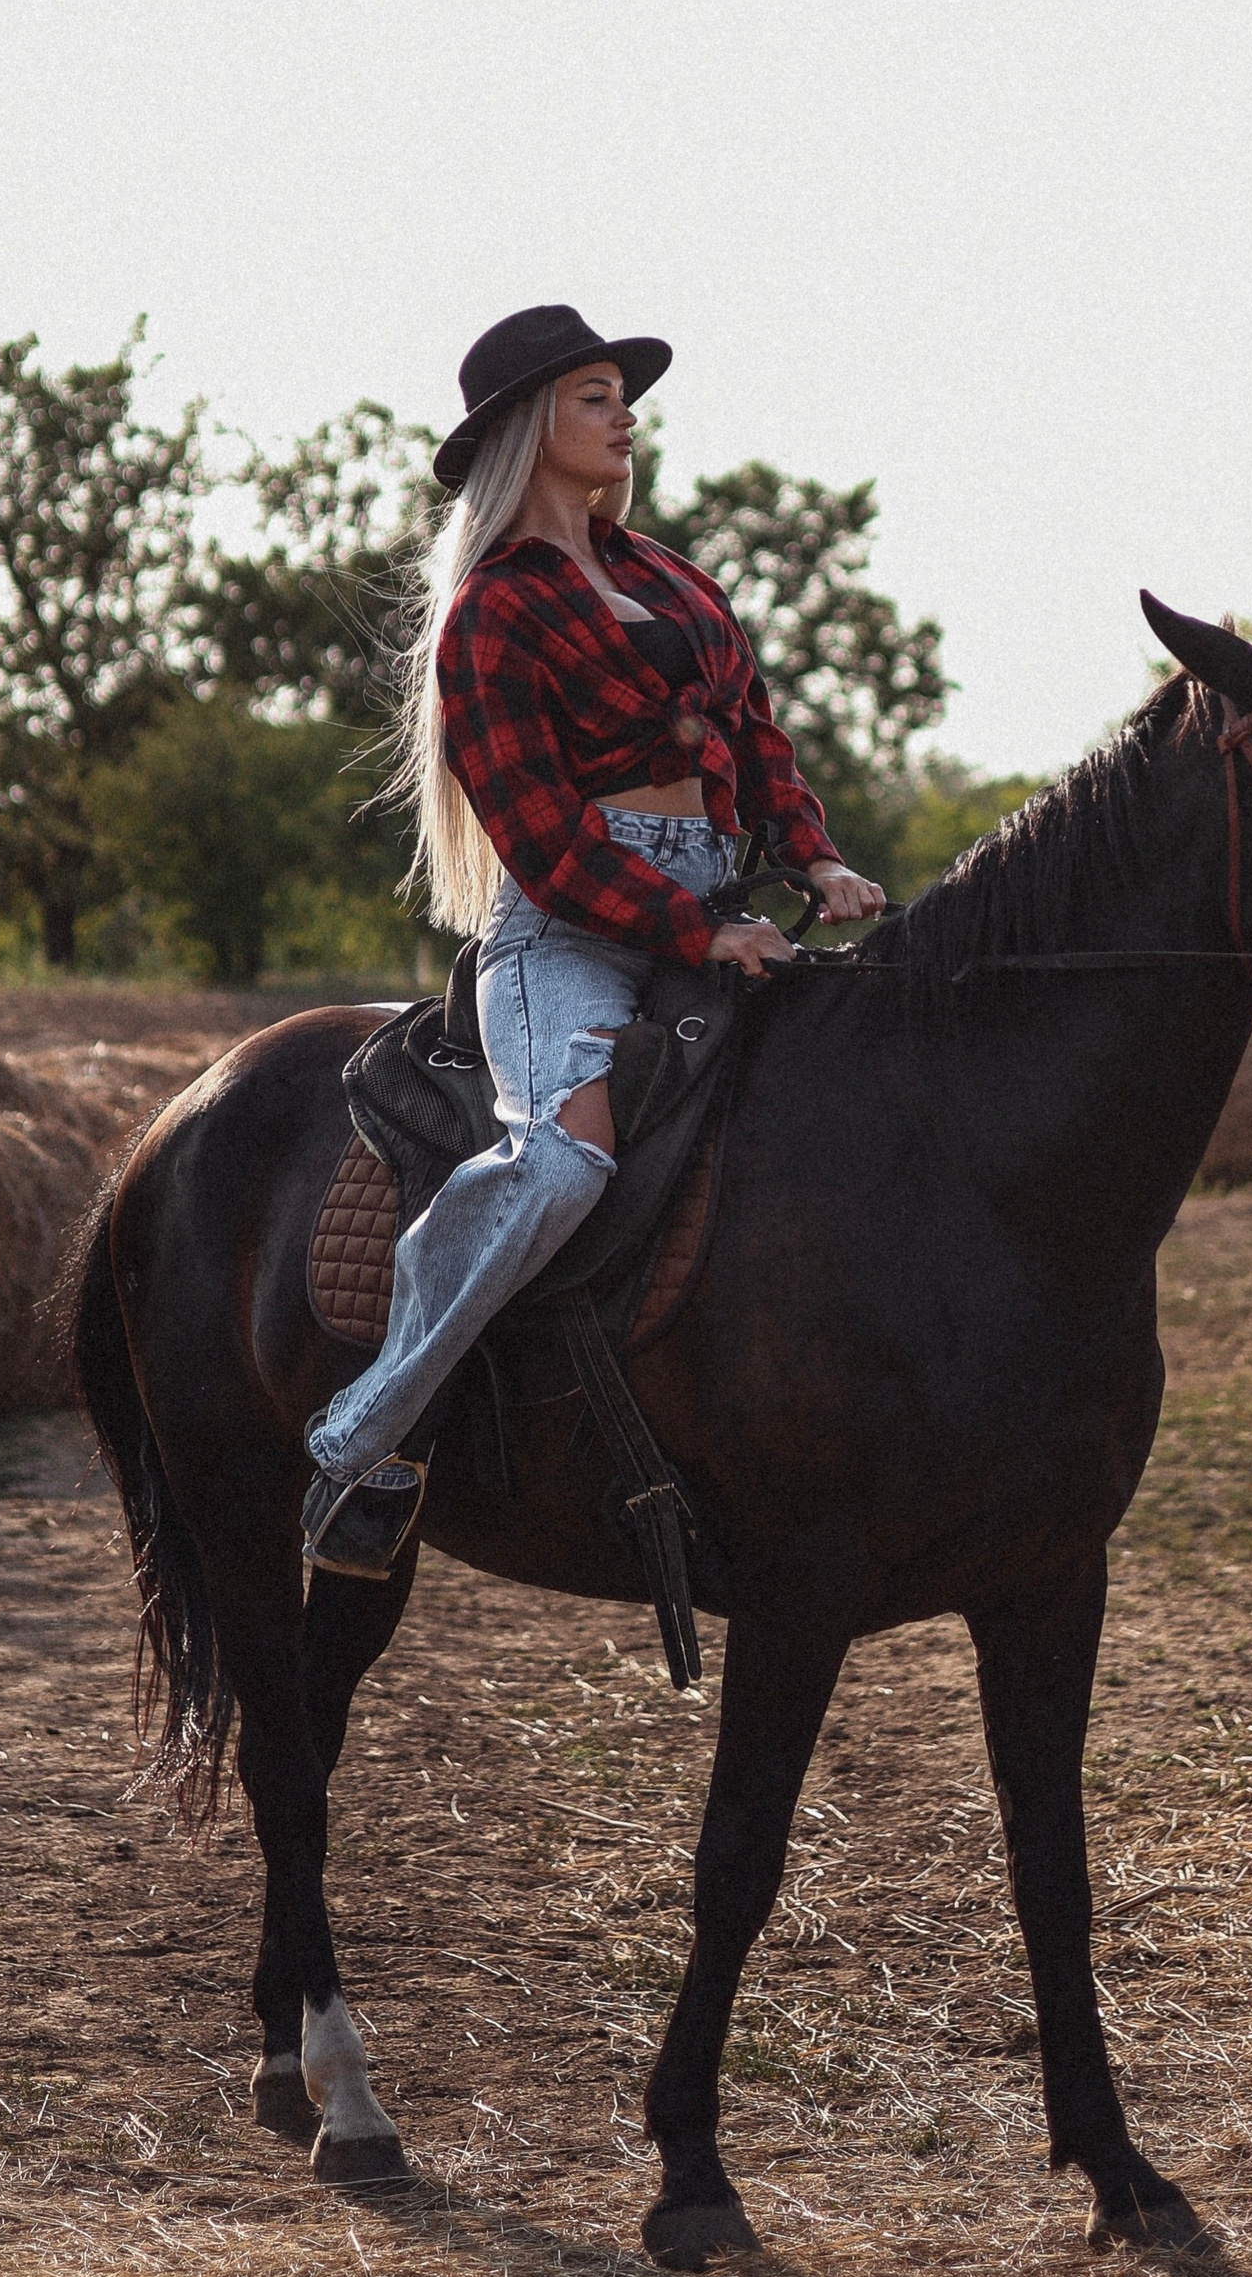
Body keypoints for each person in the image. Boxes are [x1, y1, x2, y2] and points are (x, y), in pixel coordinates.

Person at [303, 303, 885, 1575]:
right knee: (562, 1162)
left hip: (712, 901)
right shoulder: (489, 614)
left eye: (622, 394)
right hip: (565, 931)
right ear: (529, 429)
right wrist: (698, 928)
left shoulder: (680, 580)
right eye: (592, 395)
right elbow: (543, 840)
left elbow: (758, 740)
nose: (623, 414)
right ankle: (362, 1433)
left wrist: (815, 854)